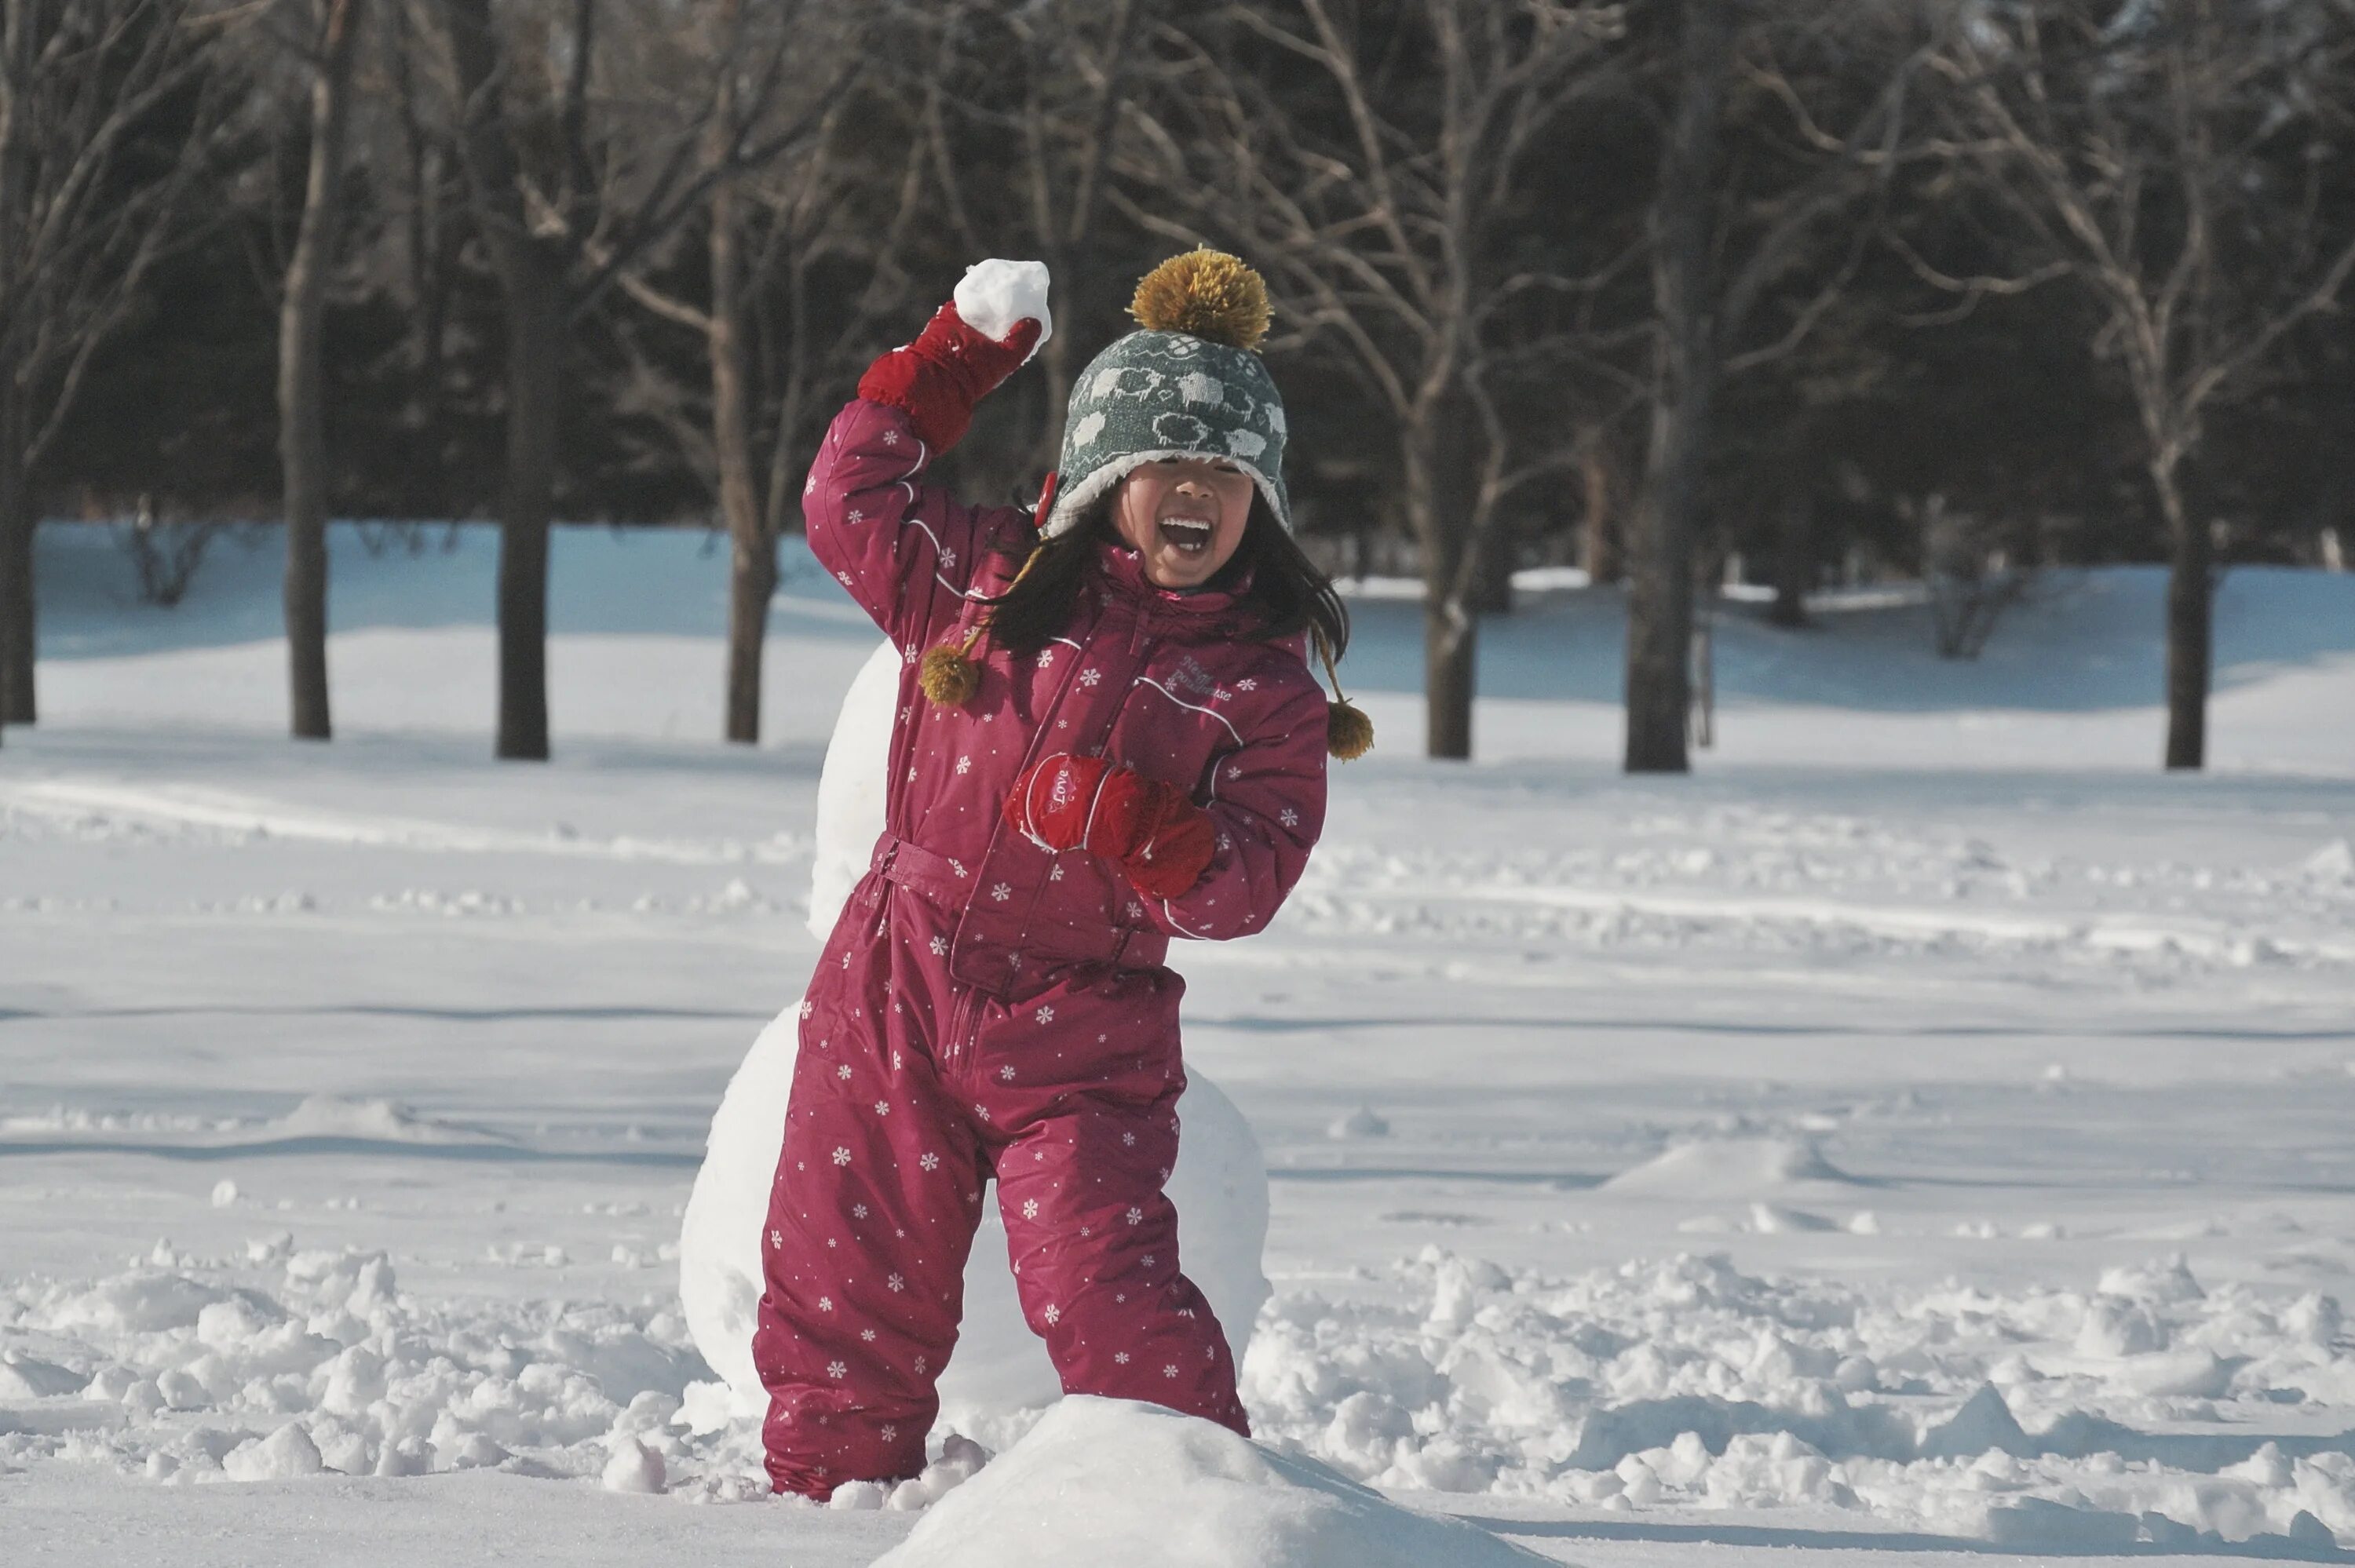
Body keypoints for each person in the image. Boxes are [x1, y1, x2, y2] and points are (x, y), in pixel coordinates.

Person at [752, 249, 1368, 1498]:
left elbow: (1251, 877)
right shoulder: (982, 584)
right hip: (896, 984)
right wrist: (950, 364)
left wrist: (1157, 834)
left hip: (1082, 1033)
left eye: (1227, 475)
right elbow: (845, 497)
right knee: (844, 1272)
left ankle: (1187, 1510)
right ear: (1104, 476)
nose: (1196, 491)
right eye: (1167, 465)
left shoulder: (1258, 686)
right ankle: (819, 1514)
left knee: (1107, 1285)